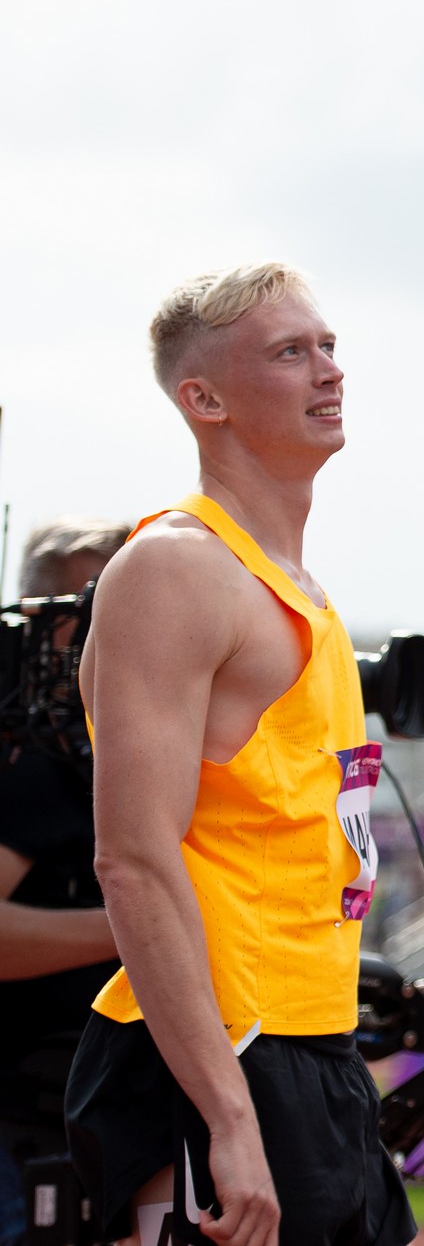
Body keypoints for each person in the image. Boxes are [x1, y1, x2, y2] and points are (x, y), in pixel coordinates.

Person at [66, 265, 415, 1246]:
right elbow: (133, 857)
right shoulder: (175, 567)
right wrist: (227, 1113)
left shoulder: (298, 586)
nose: (329, 370)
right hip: (223, 1048)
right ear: (204, 398)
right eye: (291, 352)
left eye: (329, 346)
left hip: (312, 1037)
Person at [1, 520, 127, 1246]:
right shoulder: (38, 761)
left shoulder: (96, 749)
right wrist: (144, 924)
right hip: (25, 1124)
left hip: (90, 1110)